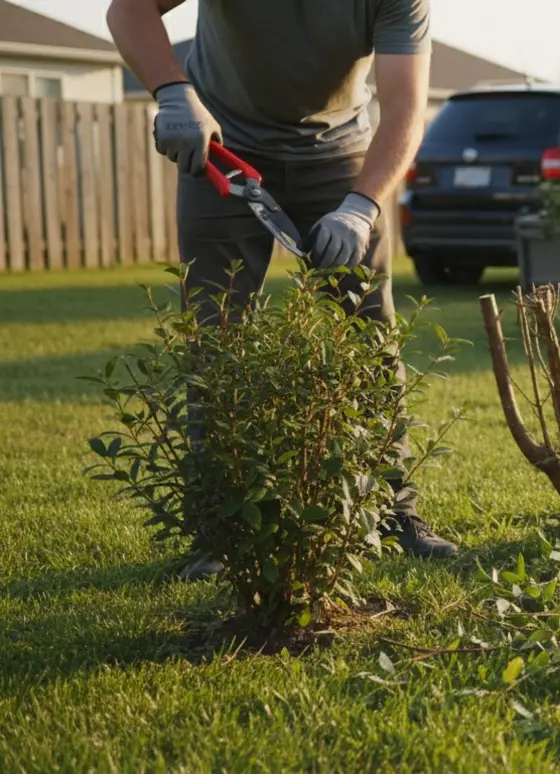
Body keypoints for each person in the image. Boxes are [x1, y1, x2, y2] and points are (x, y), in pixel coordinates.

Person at [108, 0, 457, 580]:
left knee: (368, 336)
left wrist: (362, 206)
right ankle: (222, 532)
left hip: (342, 156)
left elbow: (405, 108)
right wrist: (173, 91)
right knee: (216, 339)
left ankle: (395, 512)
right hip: (225, 147)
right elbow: (130, 9)